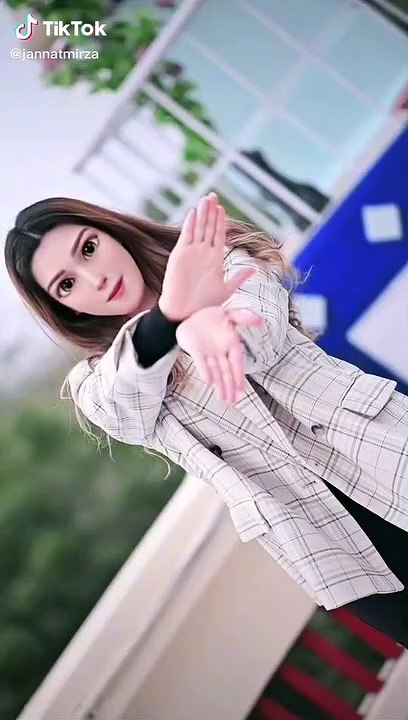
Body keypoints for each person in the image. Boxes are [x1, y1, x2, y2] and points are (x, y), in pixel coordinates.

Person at [4, 193, 408, 647]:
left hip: (382, 450)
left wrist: (203, 319)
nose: (94, 279)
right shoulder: (99, 380)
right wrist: (170, 320)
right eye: (66, 285)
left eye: (89, 248)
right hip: (319, 533)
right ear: (67, 308)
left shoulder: (223, 259)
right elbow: (123, 407)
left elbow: (256, 343)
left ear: (111, 232)